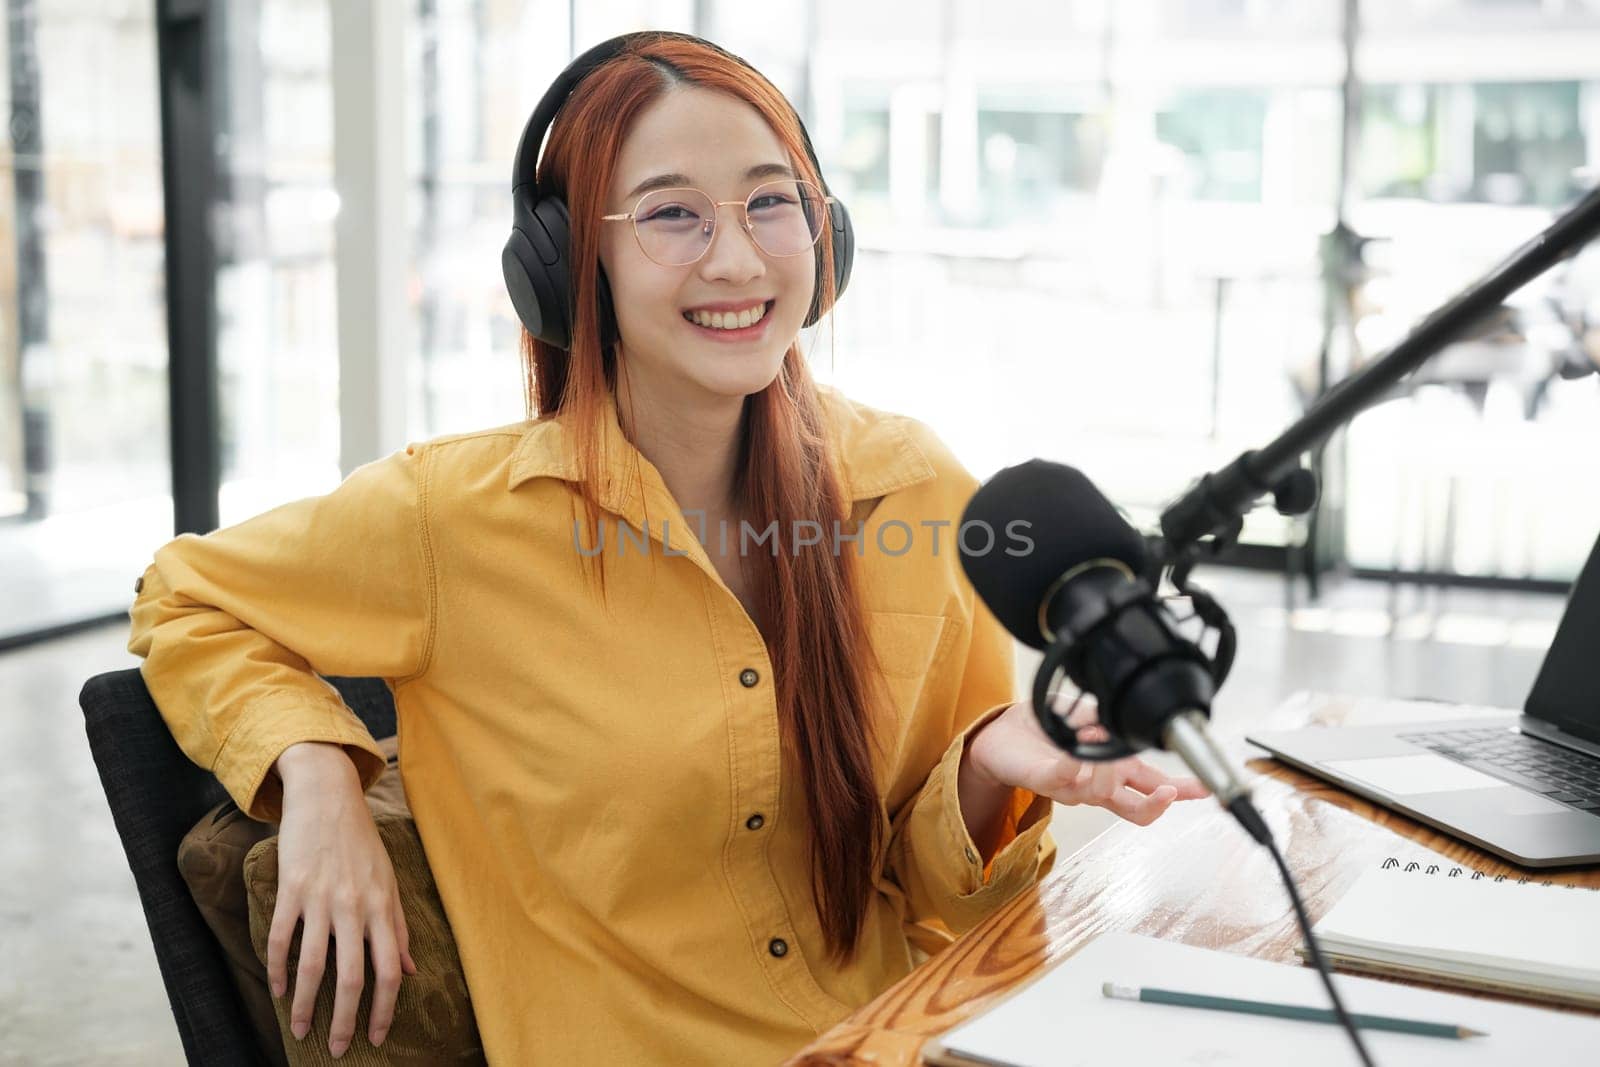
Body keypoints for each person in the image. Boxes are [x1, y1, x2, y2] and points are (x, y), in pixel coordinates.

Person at [128, 31, 1205, 1066]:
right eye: (671, 214)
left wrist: (982, 770)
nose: (736, 257)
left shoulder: (917, 488)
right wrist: (316, 772)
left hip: (898, 1035)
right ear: (563, 265)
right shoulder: (444, 516)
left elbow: (933, 899)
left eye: (769, 202)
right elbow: (182, 595)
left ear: (825, 234)